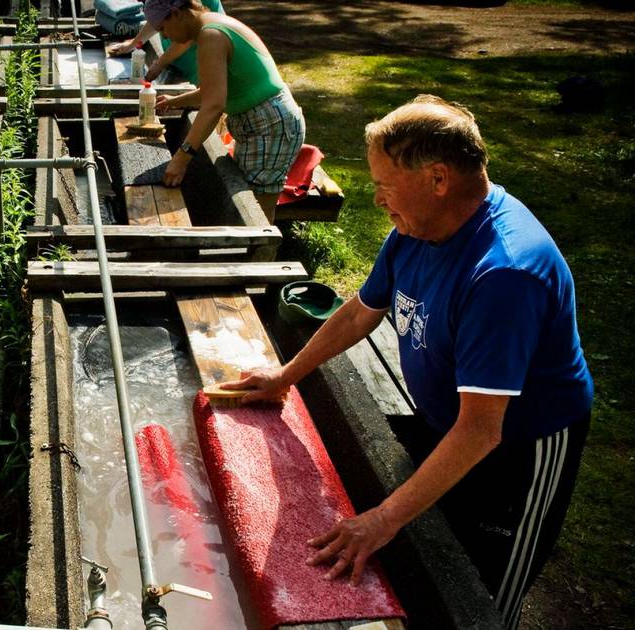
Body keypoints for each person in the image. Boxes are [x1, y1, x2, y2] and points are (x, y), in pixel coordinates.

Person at [226, 95, 592, 628]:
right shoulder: (415, 230)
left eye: (384, 185)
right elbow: (359, 315)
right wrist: (286, 376)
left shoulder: (505, 275)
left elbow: (481, 432)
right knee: (440, 532)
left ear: (438, 178)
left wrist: (380, 520)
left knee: (482, 598)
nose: (377, 199)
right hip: (454, 418)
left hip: (520, 446)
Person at [143, 0, 304, 223]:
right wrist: (177, 100)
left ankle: (260, 255)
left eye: (163, 28)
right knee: (247, 200)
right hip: (262, 122)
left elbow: (214, 105)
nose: (166, 36)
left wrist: (181, 157)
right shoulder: (213, 26)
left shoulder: (211, 36)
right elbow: (216, 89)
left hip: (270, 125)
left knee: (255, 209)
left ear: (176, 13)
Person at [106, 0, 226, 85]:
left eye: (163, 29)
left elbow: (187, 35)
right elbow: (159, 16)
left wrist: (159, 64)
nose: (163, 36)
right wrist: (134, 44)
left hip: (198, 66)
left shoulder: (197, 25)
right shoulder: (168, 16)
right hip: (177, 61)